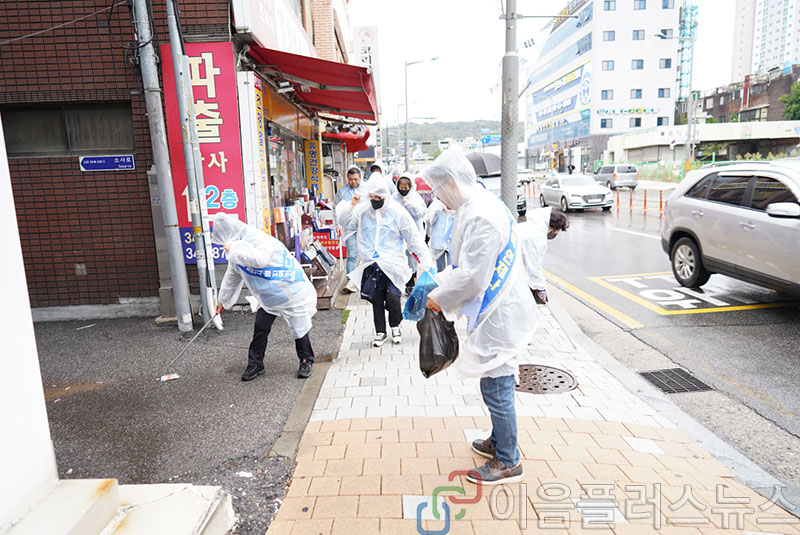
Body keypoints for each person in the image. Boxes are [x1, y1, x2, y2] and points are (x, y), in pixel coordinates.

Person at [421, 148, 538, 486]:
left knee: (497, 387)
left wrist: (438, 298)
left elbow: (473, 277)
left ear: (452, 183)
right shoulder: (480, 204)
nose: (436, 197)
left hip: (502, 315)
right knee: (495, 381)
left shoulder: (480, 216)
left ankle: (508, 460)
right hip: (499, 310)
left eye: (438, 189)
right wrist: (439, 284)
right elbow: (469, 266)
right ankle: (499, 441)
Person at [212, 213, 317, 381]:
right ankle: (255, 364)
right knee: (260, 328)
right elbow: (232, 276)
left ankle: (306, 360)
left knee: (299, 328)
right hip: (269, 298)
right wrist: (223, 300)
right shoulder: (236, 249)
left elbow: (259, 260)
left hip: (290, 292)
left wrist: (233, 249)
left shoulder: (258, 239)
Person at [336, 173, 433, 347]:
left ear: (385, 196)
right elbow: (346, 222)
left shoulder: (397, 212)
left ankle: (395, 326)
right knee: (377, 299)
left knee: (393, 297)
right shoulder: (363, 210)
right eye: (372, 197)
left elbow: (412, 237)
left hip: (393, 262)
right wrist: (351, 205)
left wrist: (425, 259)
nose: (375, 200)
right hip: (372, 263)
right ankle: (380, 332)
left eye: (378, 197)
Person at [517, 208, 568, 304]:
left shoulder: (529, 226)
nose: (555, 234)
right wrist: (540, 289)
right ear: (551, 228)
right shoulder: (537, 238)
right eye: (557, 231)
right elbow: (533, 266)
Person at [333, 166, 367, 293]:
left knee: (366, 255)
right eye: (350, 179)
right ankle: (351, 282)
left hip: (365, 227)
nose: (353, 182)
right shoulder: (342, 191)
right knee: (352, 255)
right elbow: (335, 208)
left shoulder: (367, 189)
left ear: (360, 178)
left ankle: (365, 280)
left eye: (355, 179)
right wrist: (337, 224)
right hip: (349, 228)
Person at [393, 172, 428, 294]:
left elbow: (421, 213)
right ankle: (401, 283)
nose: (403, 190)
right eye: (401, 187)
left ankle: (411, 283)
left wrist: (408, 204)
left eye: (405, 187)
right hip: (398, 235)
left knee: (413, 260)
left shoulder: (415, 198)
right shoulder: (394, 198)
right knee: (401, 259)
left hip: (414, 234)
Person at [424, 198, 454, 272]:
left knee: (451, 268)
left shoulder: (454, 202)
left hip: (451, 240)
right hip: (438, 241)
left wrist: (450, 209)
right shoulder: (435, 204)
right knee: (440, 268)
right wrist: (439, 209)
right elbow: (430, 221)